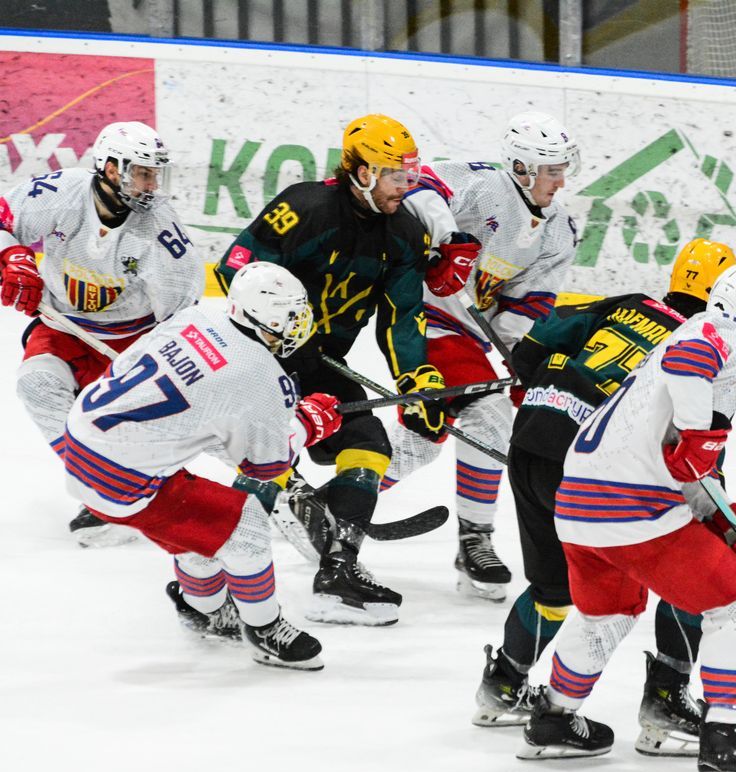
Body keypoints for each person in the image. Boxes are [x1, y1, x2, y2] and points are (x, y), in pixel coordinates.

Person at [520, 264, 736, 772]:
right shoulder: (718, 333)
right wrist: (697, 433)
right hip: (632, 508)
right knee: (735, 601)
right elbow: (691, 381)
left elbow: (688, 470)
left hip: (577, 505)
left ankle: (552, 719)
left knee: (607, 612)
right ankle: (725, 749)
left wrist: (733, 525)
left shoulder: (681, 338)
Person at [474, 239, 736, 758]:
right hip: (591, 470)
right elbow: (693, 460)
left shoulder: (628, 305)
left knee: (553, 589)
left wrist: (536, 381)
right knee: (691, 569)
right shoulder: (701, 346)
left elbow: (534, 343)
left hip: (531, 442)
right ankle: (666, 699)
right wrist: (725, 519)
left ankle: (503, 685)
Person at [215, 113, 479, 626]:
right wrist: (280, 328)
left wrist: (417, 380)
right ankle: (214, 580)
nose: (407, 186)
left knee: (369, 442)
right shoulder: (304, 206)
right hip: (259, 355)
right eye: (396, 176)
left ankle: (338, 571)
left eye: (409, 175)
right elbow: (236, 267)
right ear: (363, 172)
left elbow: (402, 316)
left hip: (319, 360)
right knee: (269, 454)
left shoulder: (404, 232)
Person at [58, 262, 337, 669]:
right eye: (292, 313)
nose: (299, 322)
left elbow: (127, 368)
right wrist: (308, 424)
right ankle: (265, 630)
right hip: (121, 478)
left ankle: (204, 609)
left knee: (200, 525)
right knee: (246, 528)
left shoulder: (197, 316)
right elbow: (265, 467)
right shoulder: (259, 375)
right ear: (271, 317)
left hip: (83, 437)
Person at [383, 110, 580, 602]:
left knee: (430, 436)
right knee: (483, 418)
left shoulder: (559, 229)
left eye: (562, 169)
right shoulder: (484, 185)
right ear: (522, 168)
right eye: (552, 170)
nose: (560, 181)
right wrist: (447, 242)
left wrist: (520, 365)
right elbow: (416, 185)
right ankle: (472, 538)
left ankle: (343, 498)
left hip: (469, 335)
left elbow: (527, 307)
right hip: (423, 314)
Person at [0, 121, 205, 545]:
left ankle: (133, 488)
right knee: (37, 386)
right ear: (111, 168)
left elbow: (181, 319)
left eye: (155, 174)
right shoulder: (61, 192)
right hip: (61, 328)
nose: (152, 185)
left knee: (138, 427)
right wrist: (12, 256)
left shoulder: (160, 231)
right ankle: (104, 489)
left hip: (134, 341)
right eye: (143, 173)